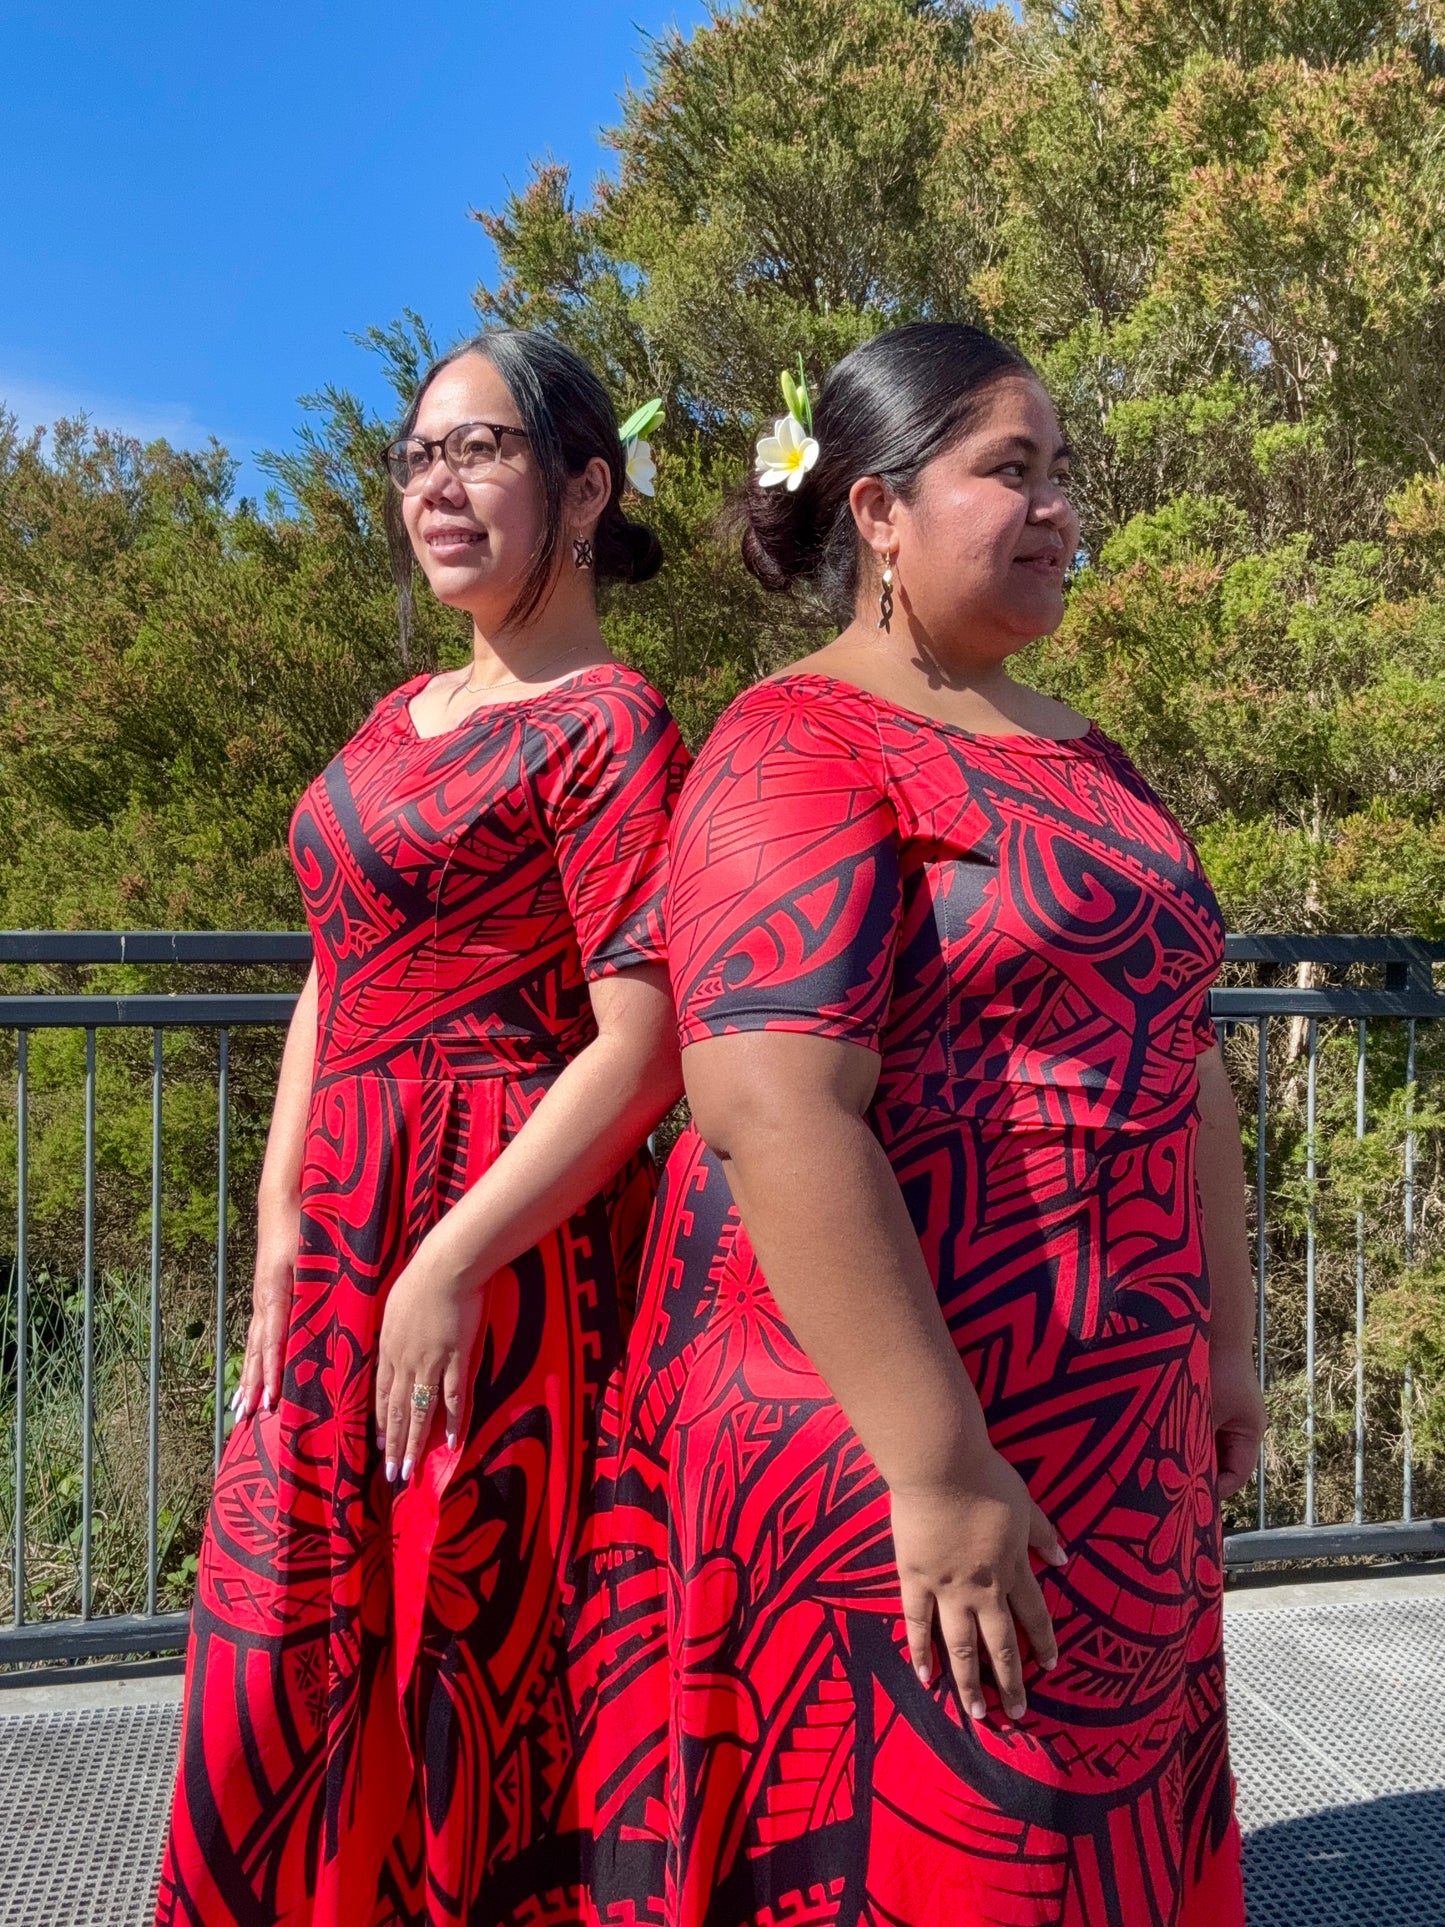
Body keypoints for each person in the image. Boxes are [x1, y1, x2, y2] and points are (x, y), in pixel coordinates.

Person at [585, 322, 1266, 1926]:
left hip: (1112, 1428)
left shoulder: (1087, 755)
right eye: (1005, 471)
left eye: (1058, 476)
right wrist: (939, 1466)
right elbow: (767, 1102)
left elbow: (1185, 1053)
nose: (1051, 510)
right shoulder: (794, 740)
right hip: (906, 1422)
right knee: (950, 1854)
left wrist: (1224, 1343)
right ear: (878, 512)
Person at [156, 329, 690, 1927]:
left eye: (479, 451)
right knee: (282, 1645)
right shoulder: (401, 713)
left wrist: (450, 1261)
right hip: (341, 1240)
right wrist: (273, 1241)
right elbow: (336, 967)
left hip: (497, 1243)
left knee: (459, 1639)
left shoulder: (611, 723)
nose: (433, 487)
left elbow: (644, 1041)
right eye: (415, 457)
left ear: (583, 485)